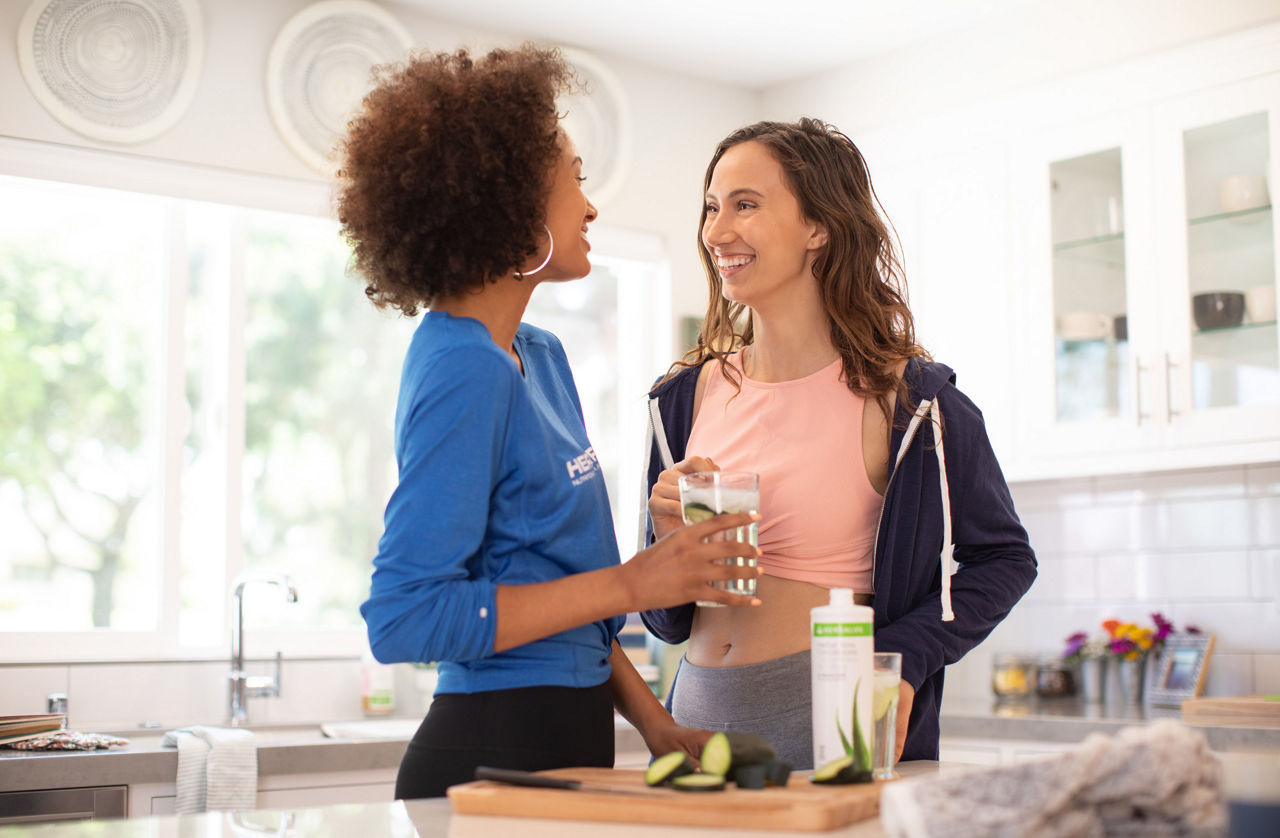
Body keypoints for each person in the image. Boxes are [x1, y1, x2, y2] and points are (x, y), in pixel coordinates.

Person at [338, 45, 761, 800]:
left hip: (570, 739)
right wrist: (634, 583)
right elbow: (403, 618)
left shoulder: (540, 353)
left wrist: (653, 724)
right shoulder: (461, 366)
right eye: (574, 180)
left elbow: (569, 600)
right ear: (507, 205)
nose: (591, 207)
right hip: (488, 748)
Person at [640, 118, 1037, 768]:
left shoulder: (912, 401)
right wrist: (668, 546)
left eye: (746, 204)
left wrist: (903, 662)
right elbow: (666, 621)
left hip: (836, 725)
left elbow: (1005, 559)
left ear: (818, 226)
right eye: (712, 207)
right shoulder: (681, 398)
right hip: (695, 725)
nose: (716, 231)